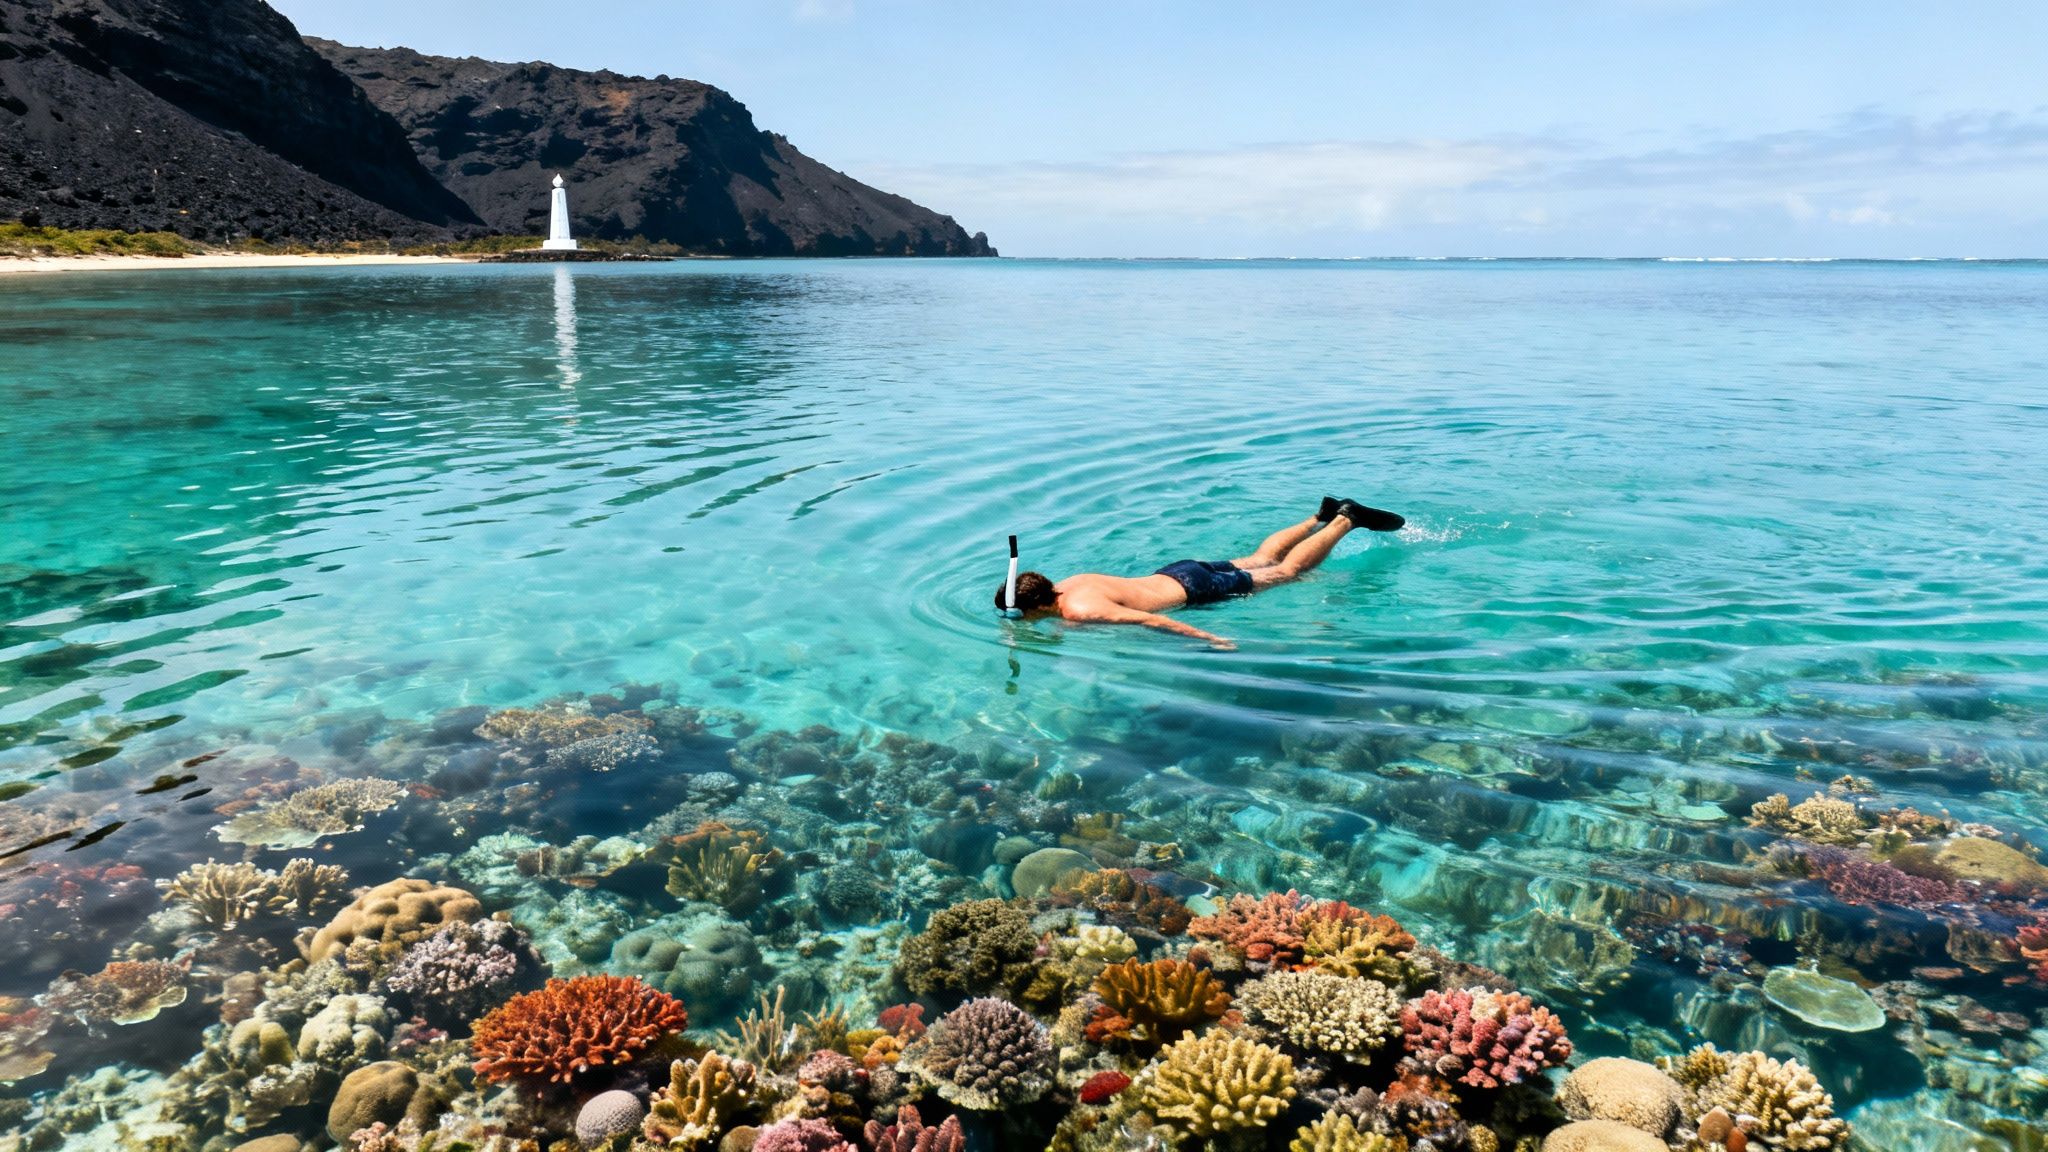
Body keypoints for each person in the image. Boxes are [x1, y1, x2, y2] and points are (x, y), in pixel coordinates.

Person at [995, 497, 1403, 648]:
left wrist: (1210, 638)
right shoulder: (1069, 586)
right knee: (1260, 557)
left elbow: (1151, 619)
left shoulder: (1081, 612)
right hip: (1178, 570)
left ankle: (1344, 520)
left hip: (1196, 591)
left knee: (1289, 571)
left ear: (1029, 607)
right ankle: (1318, 515)